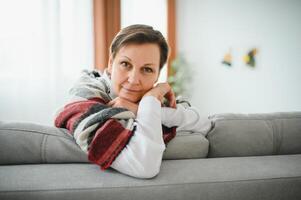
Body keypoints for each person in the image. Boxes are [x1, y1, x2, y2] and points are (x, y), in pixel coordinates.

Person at [54, 24, 211, 178]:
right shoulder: (85, 95)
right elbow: (145, 166)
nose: (134, 79)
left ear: (157, 76)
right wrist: (149, 108)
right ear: (110, 64)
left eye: (147, 69)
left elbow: (204, 124)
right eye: (125, 64)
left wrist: (143, 107)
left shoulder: (153, 96)